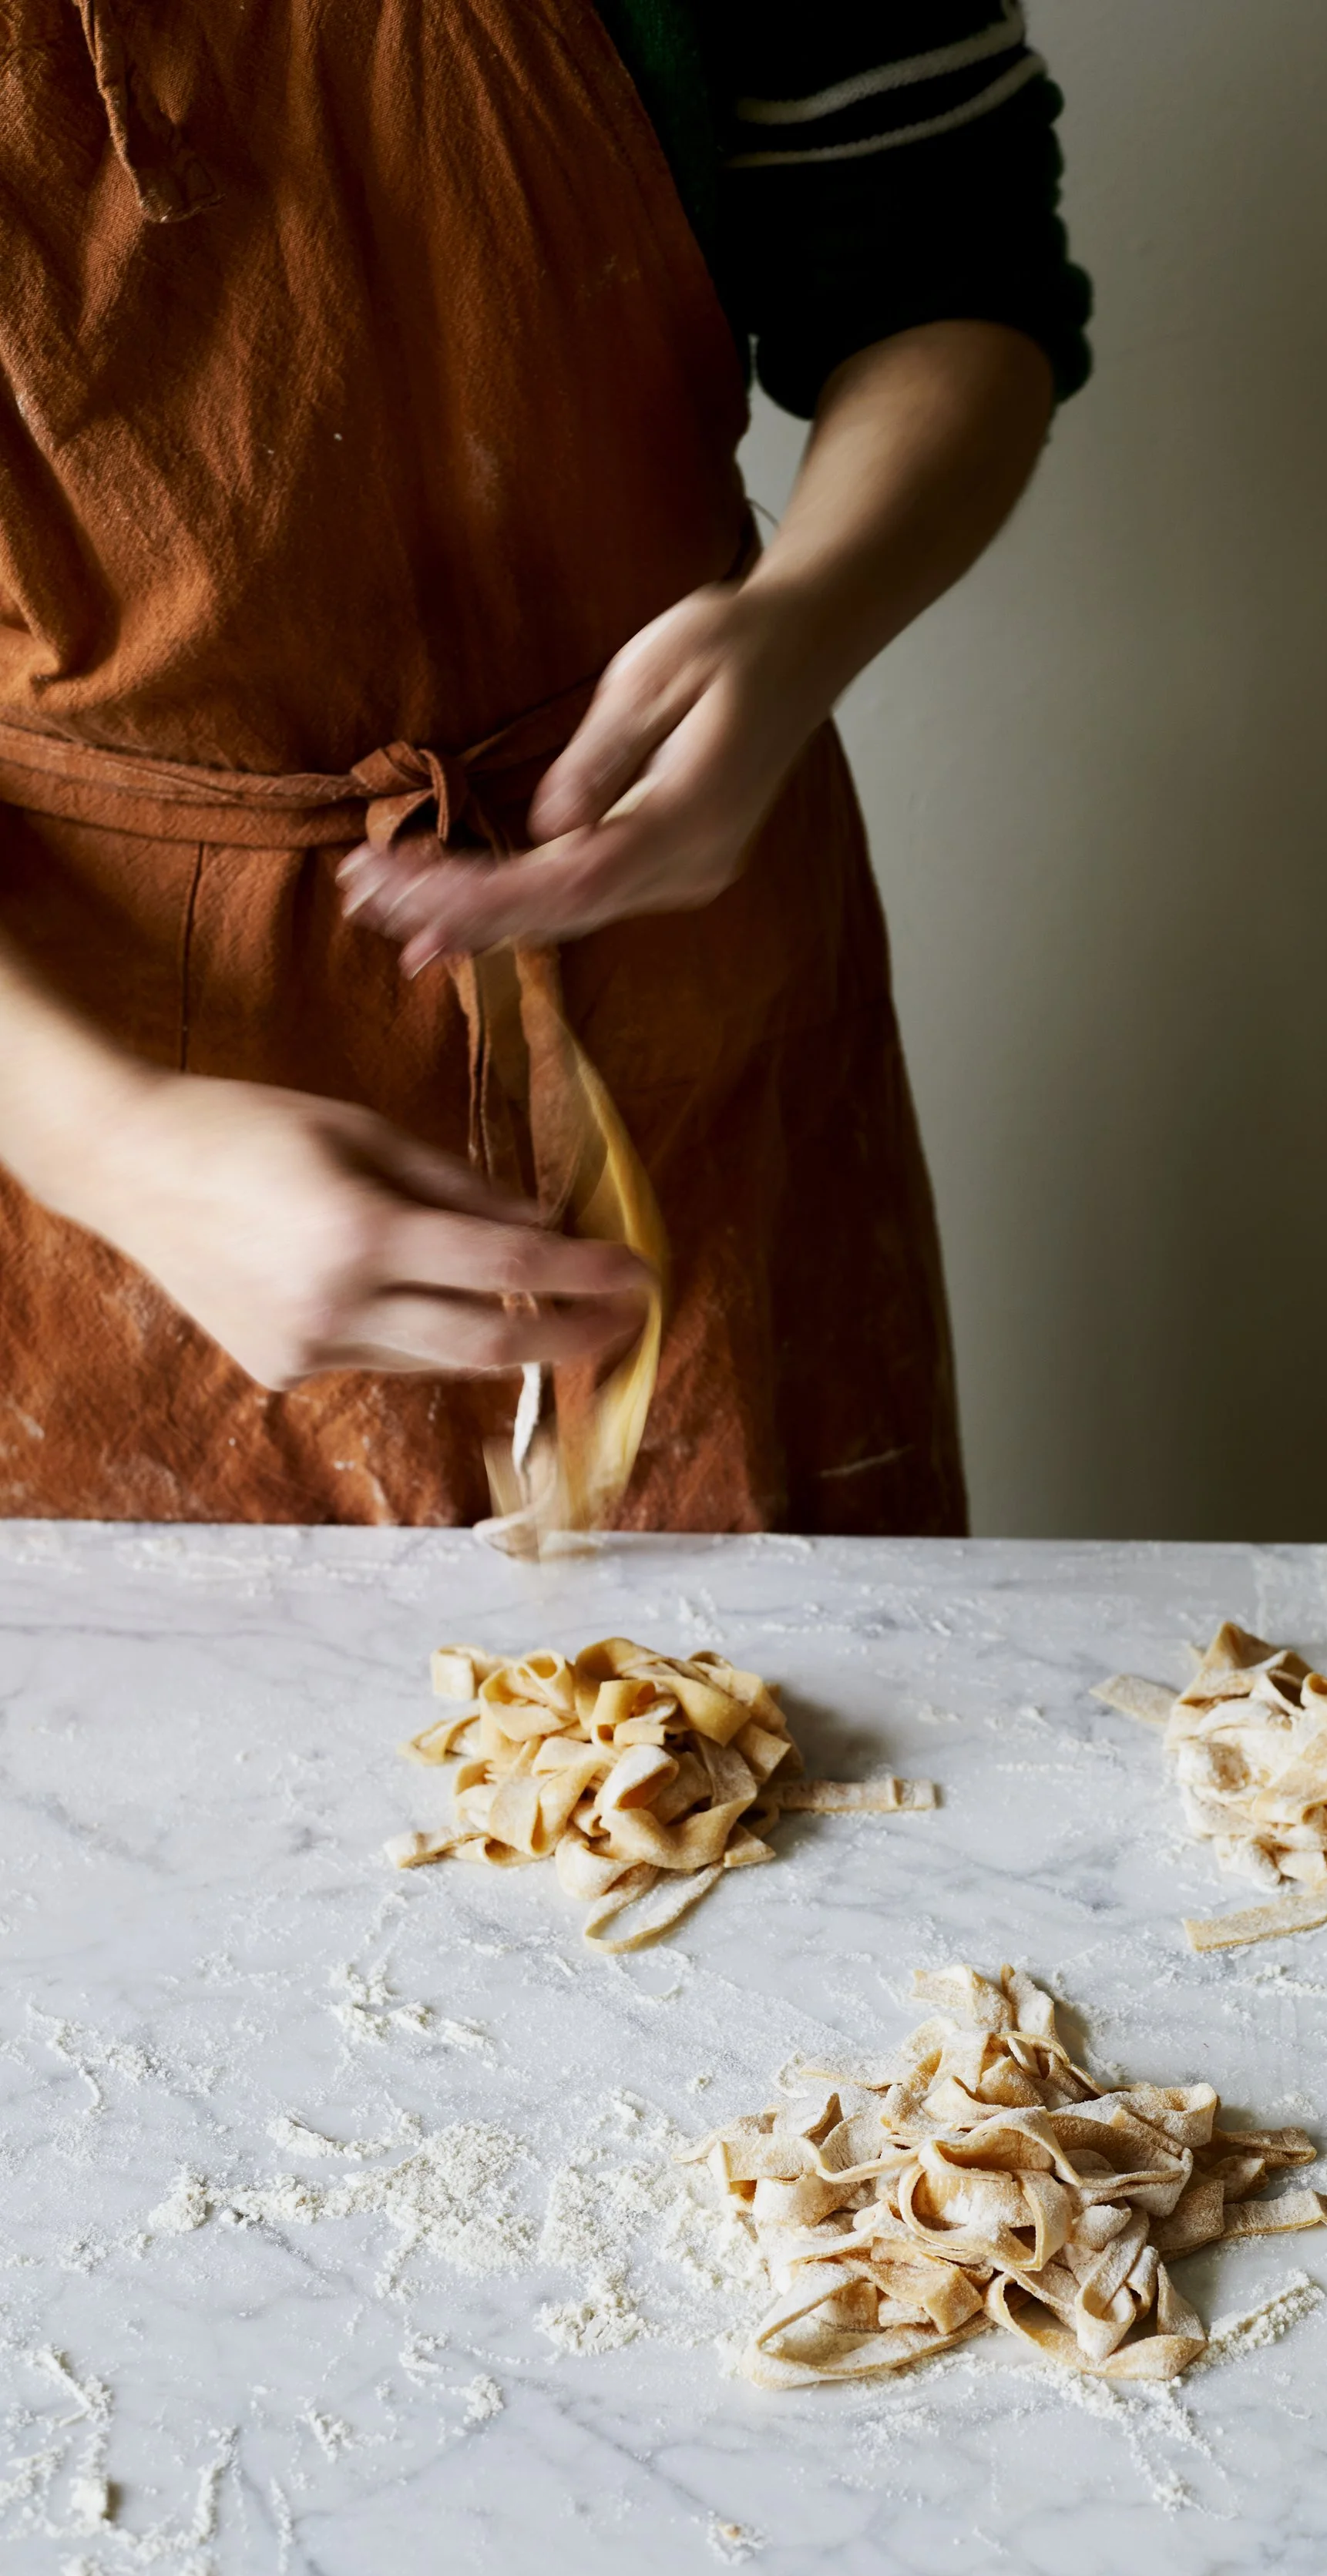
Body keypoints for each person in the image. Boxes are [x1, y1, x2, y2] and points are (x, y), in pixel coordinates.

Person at [0, 1, 1090, 1531]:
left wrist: (806, 616)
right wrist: (105, 1144)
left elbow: (951, 283)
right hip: (59, 1050)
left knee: (744, 1675)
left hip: (677, 963)